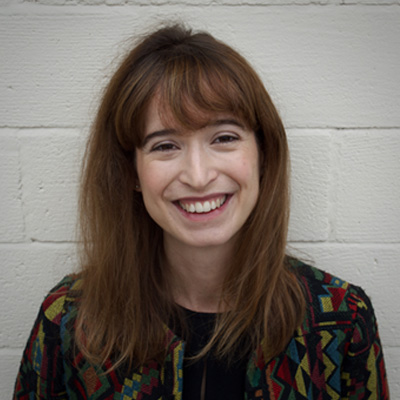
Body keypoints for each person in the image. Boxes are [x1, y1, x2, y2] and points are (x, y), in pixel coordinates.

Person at [13, 24, 389, 399]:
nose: (198, 176)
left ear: (263, 154)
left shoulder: (342, 320)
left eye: (224, 138)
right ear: (132, 171)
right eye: (165, 145)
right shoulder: (68, 322)